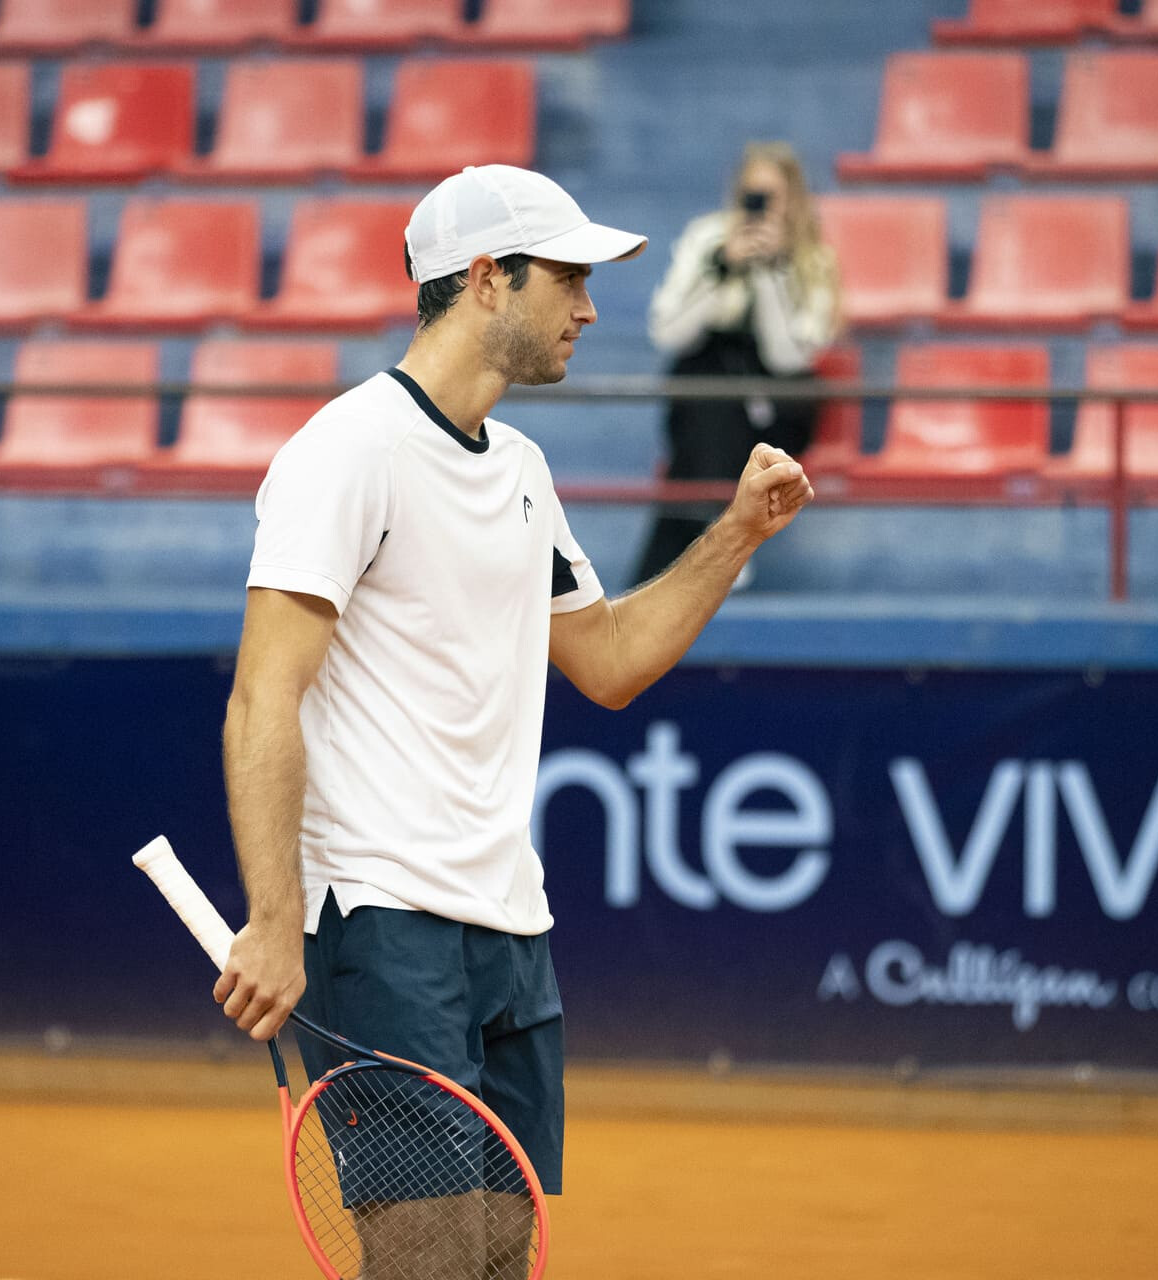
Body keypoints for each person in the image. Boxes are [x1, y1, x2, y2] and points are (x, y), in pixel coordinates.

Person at [211, 164, 815, 1276]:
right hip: (384, 922)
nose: (589, 308)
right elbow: (263, 697)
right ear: (488, 279)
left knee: (498, 1256)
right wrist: (275, 917)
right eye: (569, 279)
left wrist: (735, 534)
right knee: (431, 1258)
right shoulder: (346, 453)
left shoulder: (525, 471)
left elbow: (613, 660)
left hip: (510, 927)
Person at [634, 141, 841, 584]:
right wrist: (721, 269)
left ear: (794, 200)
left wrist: (771, 273)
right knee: (708, 388)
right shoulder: (707, 239)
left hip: (779, 402)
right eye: (752, 194)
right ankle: (720, 536)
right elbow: (667, 332)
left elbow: (788, 358)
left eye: (773, 197)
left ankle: (667, 572)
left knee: (709, 422)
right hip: (710, 392)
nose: (761, 208)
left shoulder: (815, 260)